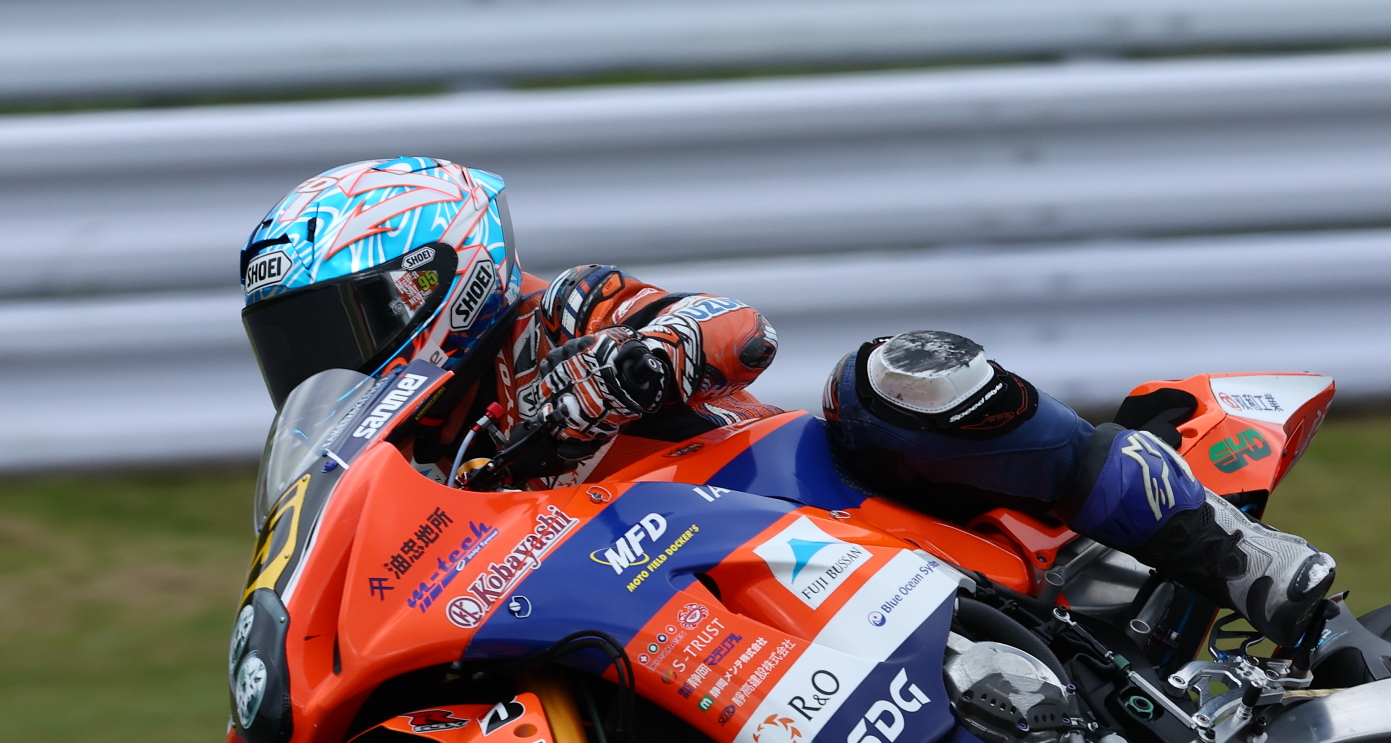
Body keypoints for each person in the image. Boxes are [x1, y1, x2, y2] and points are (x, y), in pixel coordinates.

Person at [240, 158, 1334, 643]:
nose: (319, 365)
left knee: (891, 376)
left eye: (337, 327)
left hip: (814, 511)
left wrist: (631, 362)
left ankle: (1238, 556)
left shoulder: (555, 311)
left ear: (434, 277)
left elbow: (735, 330)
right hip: (680, 615)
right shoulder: (416, 473)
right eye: (290, 347)